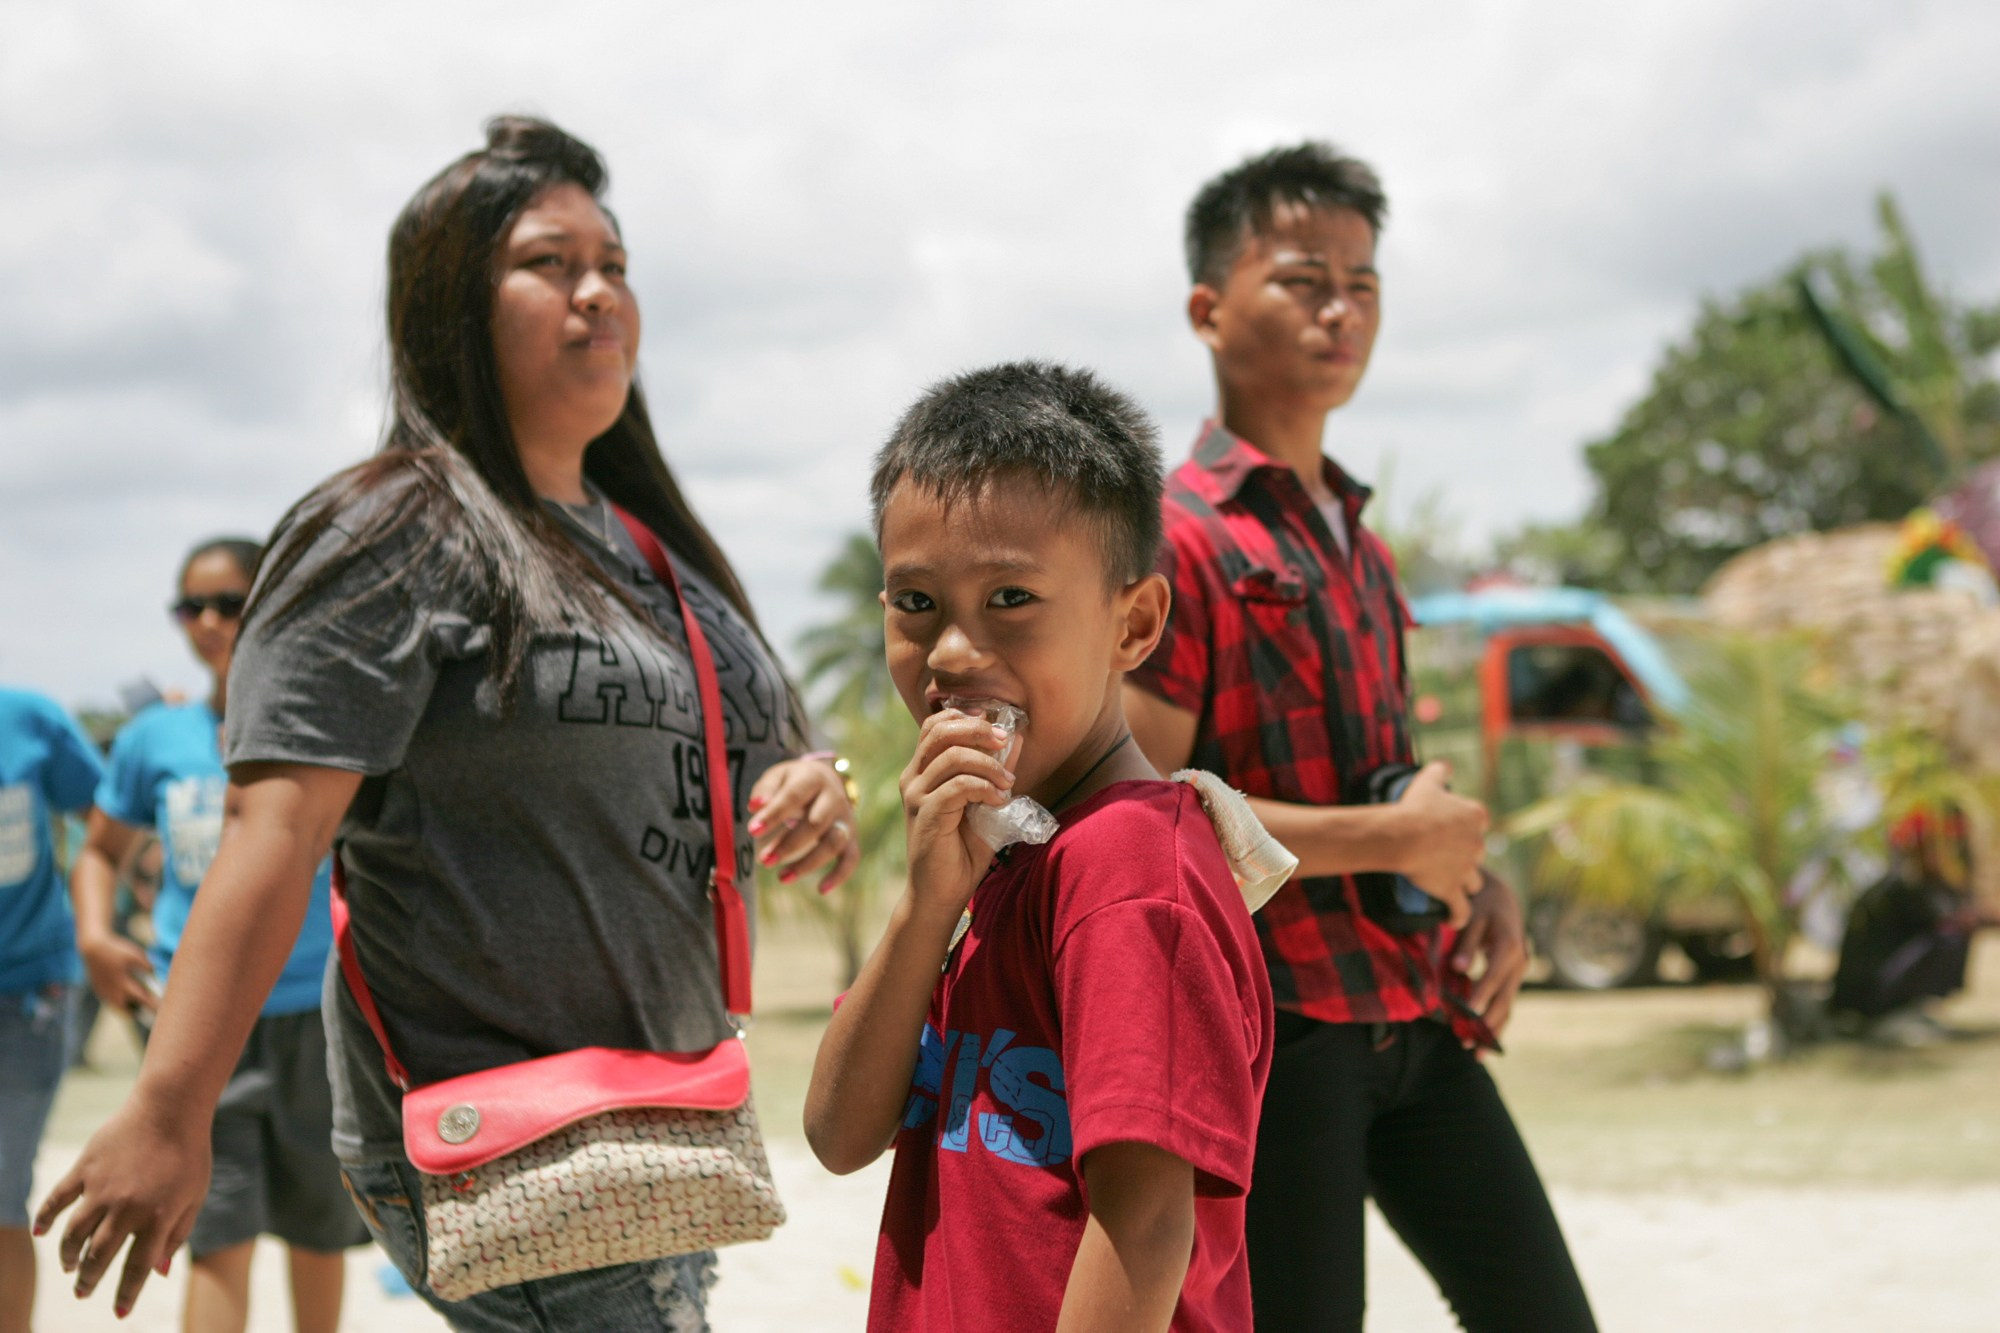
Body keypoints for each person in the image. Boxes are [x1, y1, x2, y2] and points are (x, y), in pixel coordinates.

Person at [37, 116, 859, 1330]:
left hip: (666, 1114)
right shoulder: (394, 532)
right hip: (503, 1129)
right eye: (549, 263)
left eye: (616, 265)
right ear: (451, 306)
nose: (598, 293)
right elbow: (274, 832)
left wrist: (810, 788)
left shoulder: (655, 551)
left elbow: (753, 762)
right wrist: (171, 1107)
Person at [1124, 144, 1597, 1331]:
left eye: (1364, 283)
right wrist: (1395, 837)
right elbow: (1137, 817)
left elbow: (1385, 786)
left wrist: (1467, 881)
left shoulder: (1361, 544)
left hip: (1412, 1009)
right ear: (1206, 308)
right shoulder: (1174, 539)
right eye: (1302, 278)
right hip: (1276, 1033)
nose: (1341, 309)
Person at [807, 362, 1275, 1331]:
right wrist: (925, 901)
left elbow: (1145, 1225)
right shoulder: (1003, 858)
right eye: (915, 604)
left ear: (1132, 624)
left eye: (1010, 597)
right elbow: (839, 1131)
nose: (950, 653)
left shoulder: (1129, 869)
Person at [70, 536, 369, 1333]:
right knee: (213, 1233)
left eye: (229, 603)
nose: (207, 622)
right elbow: (99, 852)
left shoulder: (333, 728)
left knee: (318, 1230)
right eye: (189, 607)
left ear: (273, 603)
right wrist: (97, 937)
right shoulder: (153, 739)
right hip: (197, 1020)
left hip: (320, 1011)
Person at [0, 685, 104, 1333]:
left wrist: (100, 926)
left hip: (27, 990)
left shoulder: (27, 718)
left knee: (1, 1195)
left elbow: (109, 819)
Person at [1831, 809, 1995, 1041]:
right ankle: (1899, 1009)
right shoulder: (1904, 885)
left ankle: (1910, 1007)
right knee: (1950, 938)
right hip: (1870, 996)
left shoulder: (1897, 881)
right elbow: (1955, 921)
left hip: (1861, 992)